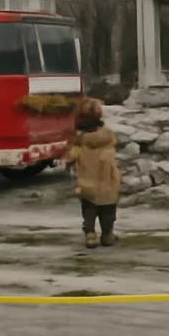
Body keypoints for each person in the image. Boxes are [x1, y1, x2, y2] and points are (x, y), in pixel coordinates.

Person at [64, 97, 121, 249]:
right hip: (108, 180)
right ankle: (107, 234)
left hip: (86, 181)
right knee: (108, 209)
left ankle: (90, 234)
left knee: (89, 209)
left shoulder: (79, 139)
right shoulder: (108, 136)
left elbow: (70, 157)